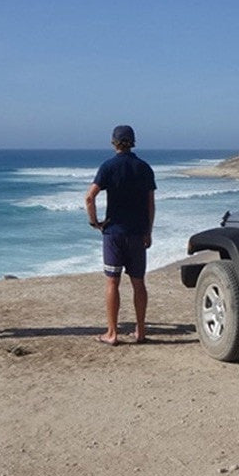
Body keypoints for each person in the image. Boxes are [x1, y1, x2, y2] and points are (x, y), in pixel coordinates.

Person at [85, 125, 156, 346]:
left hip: (114, 233)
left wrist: (95, 222)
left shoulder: (108, 167)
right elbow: (150, 204)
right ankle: (141, 332)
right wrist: (148, 231)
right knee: (138, 283)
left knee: (112, 283)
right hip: (137, 233)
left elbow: (89, 197)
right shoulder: (144, 168)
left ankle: (112, 333)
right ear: (133, 141)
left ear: (113, 142)